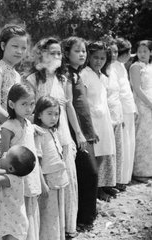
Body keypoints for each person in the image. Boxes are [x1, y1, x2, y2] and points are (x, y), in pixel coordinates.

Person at [26, 37, 78, 238]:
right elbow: (29, 111)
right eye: (52, 53)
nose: (56, 57)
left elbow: (67, 107)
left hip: (62, 132)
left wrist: (76, 135)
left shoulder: (63, 79)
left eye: (59, 53)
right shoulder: (33, 80)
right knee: (47, 182)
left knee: (66, 179)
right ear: (42, 55)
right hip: (42, 136)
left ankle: (65, 228)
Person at [61, 36, 99, 232]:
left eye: (84, 51)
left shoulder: (79, 73)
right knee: (88, 173)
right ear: (67, 53)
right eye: (77, 51)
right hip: (76, 131)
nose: (82, 54)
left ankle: (88, 215)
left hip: (86, 129)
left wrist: (91, 130)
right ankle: (82, 218)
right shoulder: (67, 74)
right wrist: (79, 132)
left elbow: (84, 105)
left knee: (90, 173)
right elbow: (68, 104)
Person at [0, 83, 41, 240]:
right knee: (19, 217)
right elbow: (3, 156)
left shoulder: (29, 124)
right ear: (11, 104)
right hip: (16, 181)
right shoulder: (8, 127)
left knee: (30, 214)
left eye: (32, 104)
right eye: (24, 104)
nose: (29, 108)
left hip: (31, 176)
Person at [0, 25, 28, 163]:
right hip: (0, 136)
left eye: (23, 48)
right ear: (3, 45)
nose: (19, 51)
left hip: (16, 134)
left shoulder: (16, 75)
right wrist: (15, 127)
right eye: (15, 46)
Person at [80, 41, 116, 202]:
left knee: (102, 155)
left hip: (104, 120)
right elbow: (84, 101)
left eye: (102, 58)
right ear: (89, 57)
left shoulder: (102, 76)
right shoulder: (85, 74)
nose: (99, 61)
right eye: (95, 57)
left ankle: (98, 189)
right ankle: (90, 194)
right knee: (92, 158)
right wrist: (88, 127)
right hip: (92, 120)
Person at [0, 143, 36, 240]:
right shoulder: (13, 174)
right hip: (13, 223)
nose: (4, 153)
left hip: (14, 225)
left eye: (6, 154)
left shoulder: (10, 179)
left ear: (11, 168)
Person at [34, 96, 69, 240]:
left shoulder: (54, 132)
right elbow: (38, 162)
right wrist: (42, 184)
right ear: (39, 114)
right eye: (49, 113)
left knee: (57, 216)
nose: (53, 117)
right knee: (48, 217)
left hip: (59, 179)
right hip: (48, 181)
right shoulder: (38, 134)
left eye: (56, 114)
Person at [113, 38, 136, 185]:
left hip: (128, 108)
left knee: (130, 142)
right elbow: (118, 92)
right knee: (124, 144)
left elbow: (127, 90)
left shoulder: (121, 66)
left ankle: (126, 177)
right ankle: (120, 178)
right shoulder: (113, 67)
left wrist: (133, 108)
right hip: (121, 110)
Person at [104, 39, 125, 192]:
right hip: (106, 115)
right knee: (107, 152)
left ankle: (114, 182)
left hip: (117, 112)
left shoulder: (117, 69)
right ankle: (103, 186)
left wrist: (122, 114)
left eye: (116, 51)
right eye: (111, 51)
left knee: (117, 150)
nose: (114, 54)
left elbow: (119, 93)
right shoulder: (102, 70)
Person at [129, 40, 152, 183]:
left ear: (151, 52)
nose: (142, 54)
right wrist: (150, 104)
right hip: (143, 104)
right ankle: (140, 172)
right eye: (140, 51)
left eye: (145, 51)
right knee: (142, 136)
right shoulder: (135, 67)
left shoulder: (150, 66)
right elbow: (137, 88)